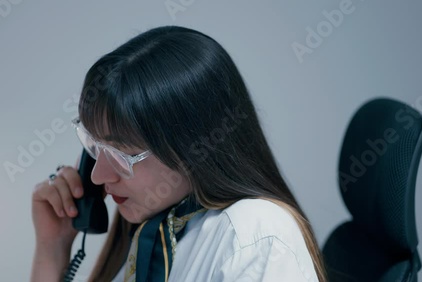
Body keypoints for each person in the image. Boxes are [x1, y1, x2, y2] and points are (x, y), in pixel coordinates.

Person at [30, 25, 327, 282]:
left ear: (195, 148)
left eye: (123, 154)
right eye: (94, 146)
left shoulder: (254, 234)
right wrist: (52, 248)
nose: (97, 174)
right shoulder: (148, 234)